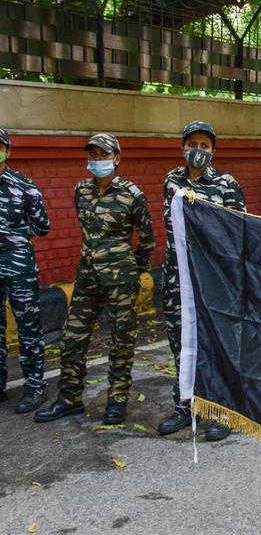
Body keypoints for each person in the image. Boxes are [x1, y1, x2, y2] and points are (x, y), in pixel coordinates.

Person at [35, 134, 154, 425]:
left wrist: (133, 268)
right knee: (72, 336)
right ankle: (69, 398)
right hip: (87, 275)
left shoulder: (131, 194)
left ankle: (116, 401)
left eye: (103, 154)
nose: (97, 160)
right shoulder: (82, 191)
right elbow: (87, 231)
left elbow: (147, 238)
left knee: (121, 340)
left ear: (117, 158)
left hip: (121, 279)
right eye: (93, 154)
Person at [157, 121, 246, 442]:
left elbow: (238, 230)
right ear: (183, 148)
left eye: (204, 146)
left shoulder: (226, 184)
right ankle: (184, 405)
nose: (198, 150)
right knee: (180, 342)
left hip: (213, 280)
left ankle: (221, 411)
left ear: (213, 150)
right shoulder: (171, 181)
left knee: (216, 343)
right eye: (192, 144)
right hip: (177, 277)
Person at [0, 127, 50, 413]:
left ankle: (34, 386)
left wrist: (15, 236)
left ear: (7, 149)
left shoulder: (23, 185)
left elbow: (43, 225)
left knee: (28, 327)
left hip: (18, 266)